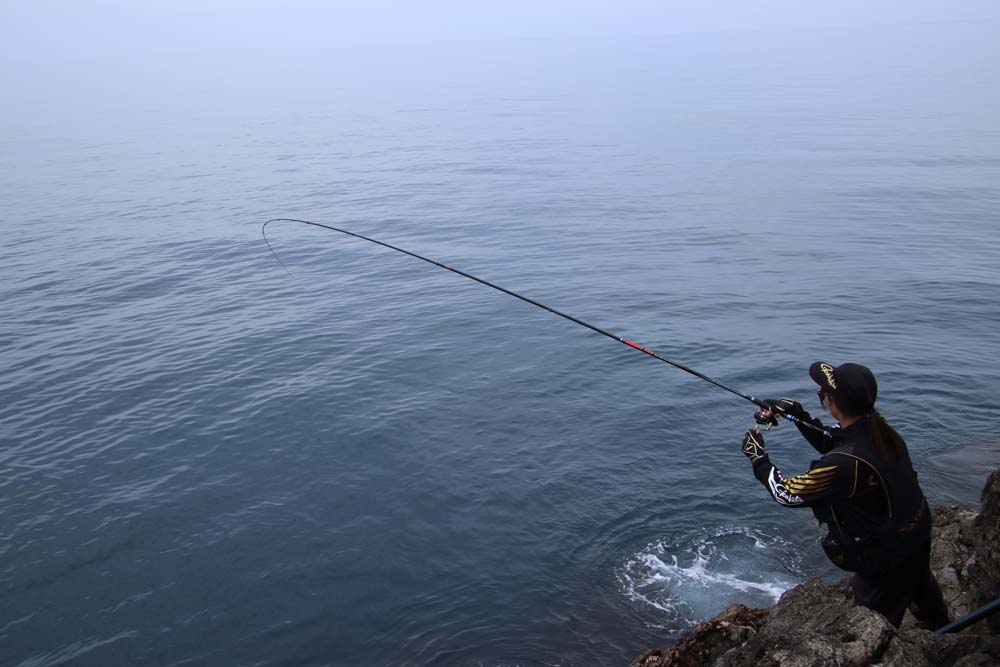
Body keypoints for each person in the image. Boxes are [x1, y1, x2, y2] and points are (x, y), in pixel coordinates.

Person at [739, 361, 950, 629]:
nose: (821, 396)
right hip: (916, 530)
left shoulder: (845, 464)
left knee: (873, 624)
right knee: (920, 584)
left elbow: (787, 494)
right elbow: (832, 439)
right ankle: (942, 629)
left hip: (887, 556)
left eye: (822, 393)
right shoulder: (877, 428)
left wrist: (758, 458)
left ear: (833, 404)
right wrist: (796, 412)